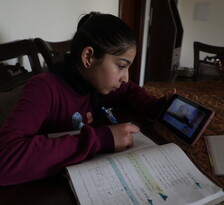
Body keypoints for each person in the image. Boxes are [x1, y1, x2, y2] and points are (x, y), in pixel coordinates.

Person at [0, 12, 175, 186]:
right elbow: (6, 157)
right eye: (121, 66)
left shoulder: (95, 83)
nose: (125, 77)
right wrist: (101, 140)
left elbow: (129, 90)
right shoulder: (44, 88)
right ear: (88, 57)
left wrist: (155, 106)